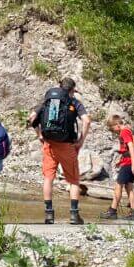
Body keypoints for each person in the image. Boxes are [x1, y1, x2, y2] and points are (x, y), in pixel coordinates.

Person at [28, 77, 91, 225]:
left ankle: (49, 215)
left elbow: (31, 118)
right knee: (74, 180)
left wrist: (40, 135)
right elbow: (87, 120)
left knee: (49, 178)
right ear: (71, 90)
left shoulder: (48, 100)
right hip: (67, 145)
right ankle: (74, 215)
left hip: (49, 144)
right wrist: (81, 140)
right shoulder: (74, 102)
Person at [104, 115, 134, 220]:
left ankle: (112, 211)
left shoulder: (124, 131)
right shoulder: (128, 130)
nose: (113, 131)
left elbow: (130, 146)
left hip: (129, 163)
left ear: (117, 124)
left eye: (112, 128)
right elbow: (126, 149)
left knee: (118, 185)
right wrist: (121, 160)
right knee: (129, 187)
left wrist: (133, 163)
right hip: (129, 161)